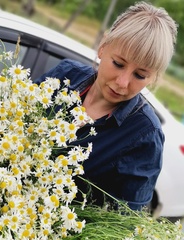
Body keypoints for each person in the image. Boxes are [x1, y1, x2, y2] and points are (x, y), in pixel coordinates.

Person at [34, 1, 178, 211]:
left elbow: (122, 222)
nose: (122, 83)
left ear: (152, 78)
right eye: (118, 64)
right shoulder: (65, 75)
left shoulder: (145, 135)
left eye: (139, 75)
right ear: (103, 48)